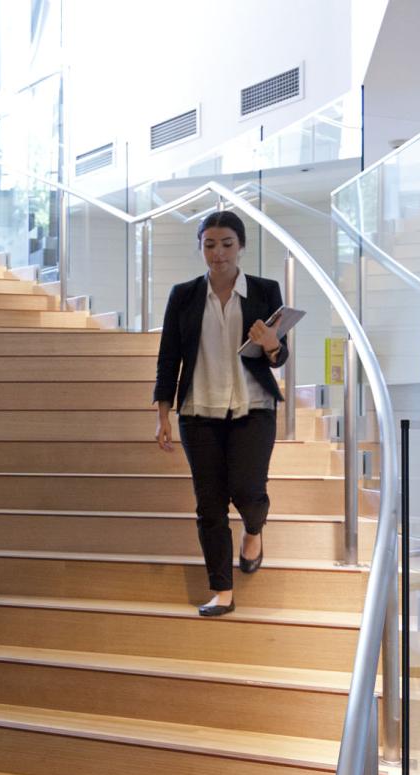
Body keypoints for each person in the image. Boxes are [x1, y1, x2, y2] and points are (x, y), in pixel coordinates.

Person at [153, 210, 289, 617]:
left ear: (241, 246)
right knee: (209, 504)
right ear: (200, 248)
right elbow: (168, 359)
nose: (218, 253)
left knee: (248, 492)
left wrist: (269, 344)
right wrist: (162, 414)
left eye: (226, 244)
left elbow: (280, 359)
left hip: (253, 408)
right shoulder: (184, 295)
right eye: (209, 245)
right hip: (198, 412)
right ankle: (221, 591)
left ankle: (253, 530)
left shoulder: (266, 291)